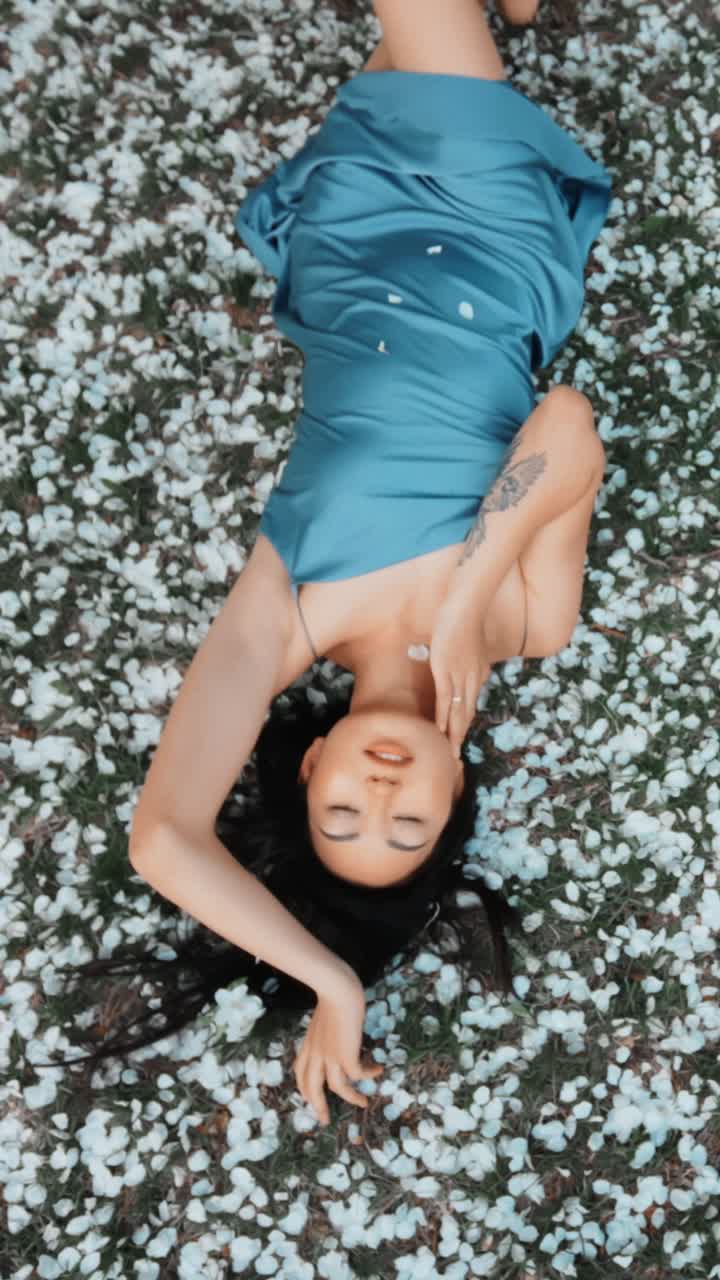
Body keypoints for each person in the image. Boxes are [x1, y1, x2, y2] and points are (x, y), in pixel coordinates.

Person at [37, 0, 612, 1128]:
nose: (382, 795)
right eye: (409, 826)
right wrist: (465, 602)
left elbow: (163, 838)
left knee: (426, 49)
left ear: (306, 774)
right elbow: (568, 424)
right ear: (454, 801)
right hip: (495, 246)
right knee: (433, 45)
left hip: (350, 245)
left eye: (344, 814)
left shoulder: (280, 617)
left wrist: (331, 979)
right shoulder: (529, 625)